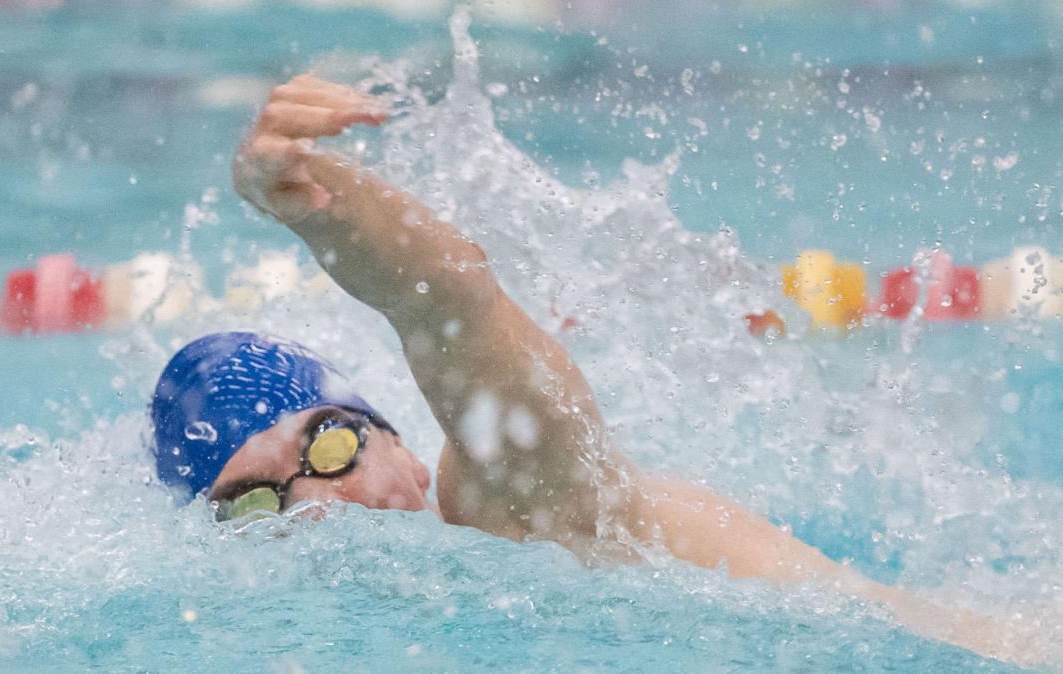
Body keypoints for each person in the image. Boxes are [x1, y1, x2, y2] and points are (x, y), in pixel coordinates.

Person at [150, 74, 1037, 665]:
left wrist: (306, 206)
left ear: (399, 444)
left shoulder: (509, 506)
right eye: (256, 503)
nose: (317, 504)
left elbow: (450, 297)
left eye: (331, 447)